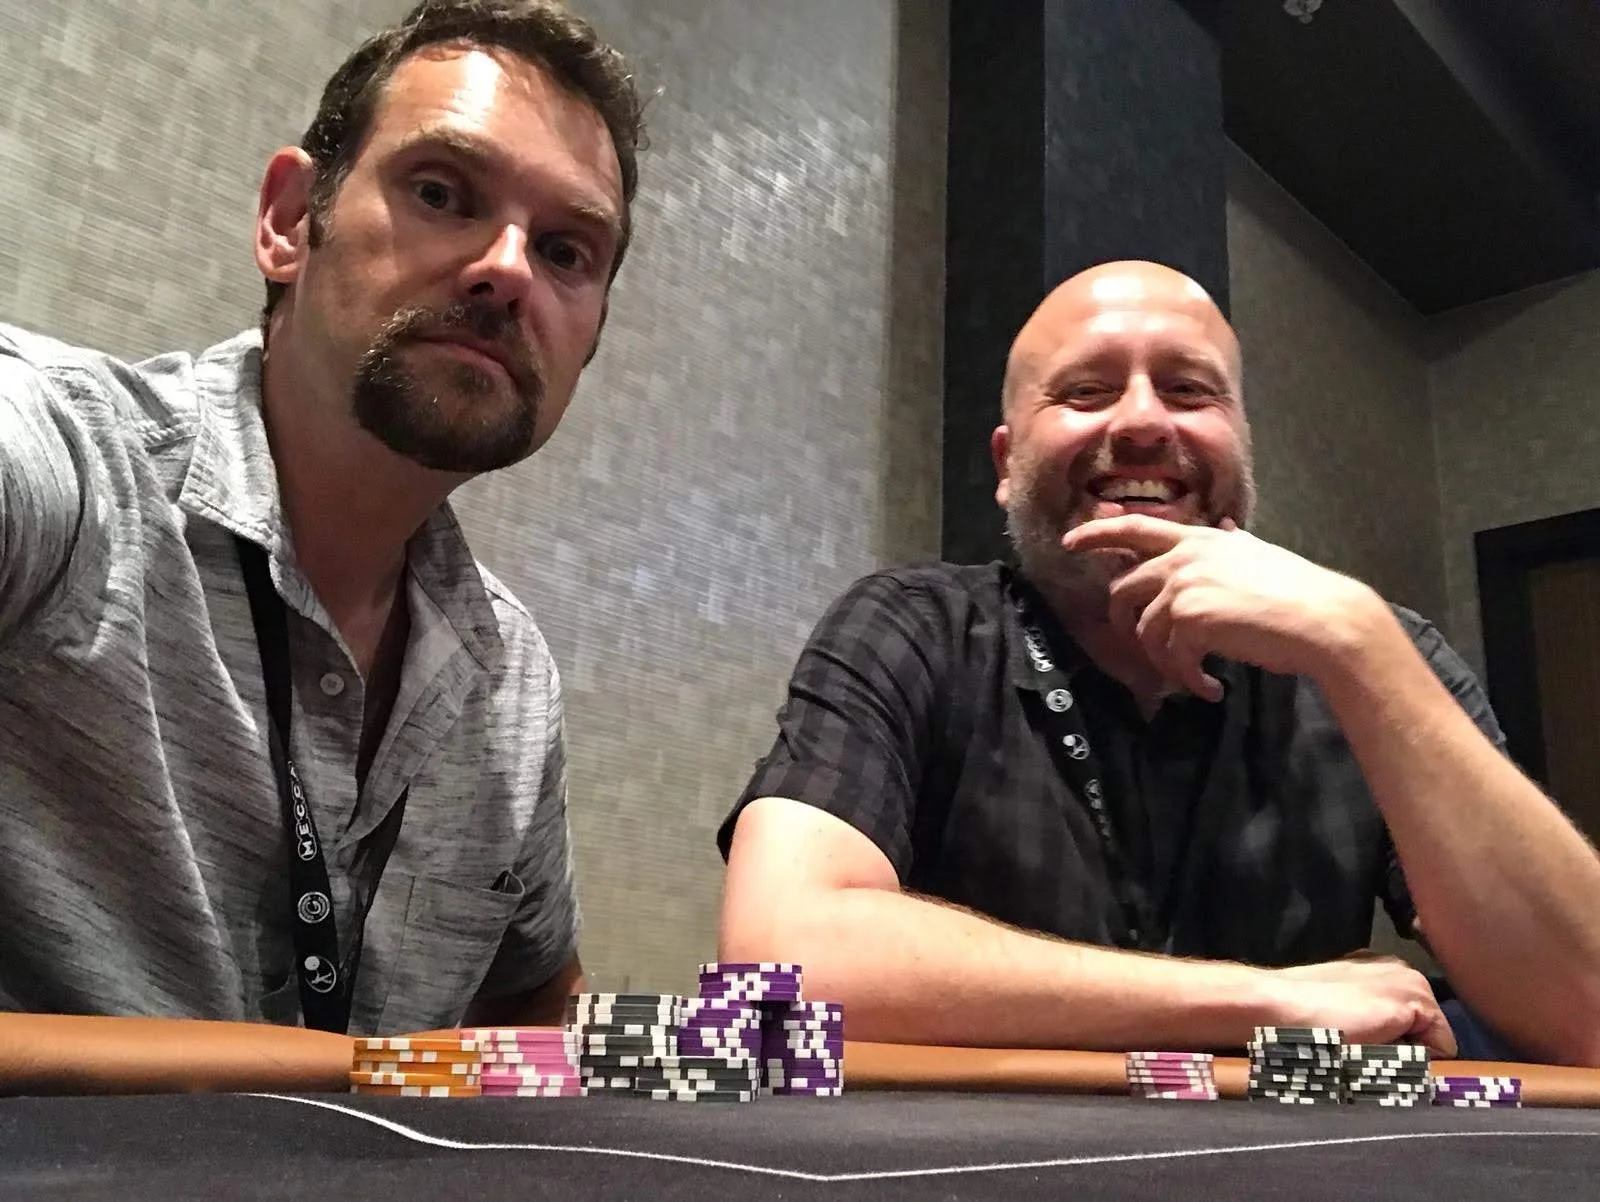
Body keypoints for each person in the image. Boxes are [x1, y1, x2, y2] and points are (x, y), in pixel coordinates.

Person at [717, 261, 1600, 1066]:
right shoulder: (911, 627)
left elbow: (1587, 1011)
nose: (1142, 421)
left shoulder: (1379, 653)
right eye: (1087, 391)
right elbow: (777, 965)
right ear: (1007, 463)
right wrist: (1263, 1003)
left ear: (1239, 443)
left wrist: (1363, 646)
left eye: (1188, 389)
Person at [0, 0, 643, 1035]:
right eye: (441, 192)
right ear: (292, 221)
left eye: (568, 251)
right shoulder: (71, 472)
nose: (509, 267)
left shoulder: (512, 678)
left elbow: (531, 1011)